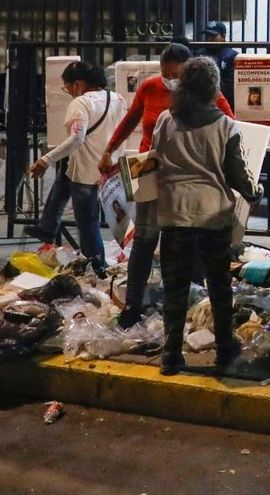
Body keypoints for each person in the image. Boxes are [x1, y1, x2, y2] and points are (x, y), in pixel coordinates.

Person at [97, 43, 235, 328]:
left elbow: (231, 126)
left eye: (175, 75)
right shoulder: (149, 88)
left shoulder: (206, 94)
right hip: (148, 167)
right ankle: (134, 305)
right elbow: (130, 119)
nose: (168, 80)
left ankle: (190, 301)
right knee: (144, 239)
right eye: (164, 73)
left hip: (185, 174)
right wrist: (110, 150)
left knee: (186, 239)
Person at [149, 57, 262, 375]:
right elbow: (240, 177)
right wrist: (256, 193)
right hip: (213, 217)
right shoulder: (225, 126)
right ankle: (225, 349)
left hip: (174, 216)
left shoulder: (165, 120)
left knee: (175, 287)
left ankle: (171, 354)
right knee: (219, 284)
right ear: (214, 87)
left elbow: (154, 159)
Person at [27, 61, 126, 275]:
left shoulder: (81, 103)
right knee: (64, 179)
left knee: (88, 223)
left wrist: (46, 159)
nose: (69, 92)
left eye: (68, 86)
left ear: (78, 84)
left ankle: (96, 266)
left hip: (87, 172)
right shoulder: (117, 98)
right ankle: (48, 225)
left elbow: (76, 139)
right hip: (113, 170)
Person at [200, 21, 239, 109]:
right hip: (201, 104)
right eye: (207, 36)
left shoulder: (232, 56)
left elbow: (230, 86)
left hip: (224, 103)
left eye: (213, 36)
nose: (209, 39)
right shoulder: (200, 54)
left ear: (223, 37)